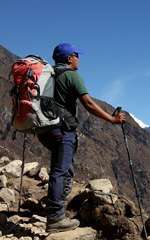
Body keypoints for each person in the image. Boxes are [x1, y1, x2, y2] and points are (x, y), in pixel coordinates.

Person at [37, 43, 126, 233]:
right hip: (62, 130)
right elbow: (89, 103)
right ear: (69, 58)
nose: (79, 58)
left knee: (61, 170)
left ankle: (57, 209)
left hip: (45, 130)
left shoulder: (48, 75)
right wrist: (112, 119)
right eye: (76, 55)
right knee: (61, 172)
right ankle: (55, 218)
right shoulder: (71, 75)